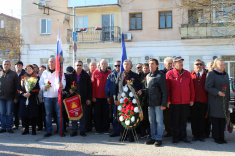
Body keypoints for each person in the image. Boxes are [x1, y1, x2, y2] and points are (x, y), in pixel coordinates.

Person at [166, 56, 195, 144]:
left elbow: (191, 88)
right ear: (174, 64)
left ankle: (184, 137)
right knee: (175, 121)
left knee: (183, 121)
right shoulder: (169, 74)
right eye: (179, 62)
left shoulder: (187, 73)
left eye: (182, 62)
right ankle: (175, 138)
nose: (181, 63)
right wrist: (168, 100)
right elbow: (167, 89)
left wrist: (192, 99)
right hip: (175, 102)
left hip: (185, 102)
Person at [142, 58, 168, 147]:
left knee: (159, 121)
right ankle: (153, 137)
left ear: (157, 65)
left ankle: (158, 138)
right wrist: (142, 91)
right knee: (151, 121)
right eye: (149, 64)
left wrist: (163, 103)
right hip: (150, 103)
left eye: (152, 63)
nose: (150, 65)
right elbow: (147, 89)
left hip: (158, 103)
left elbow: (164, 91)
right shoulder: (148, 76)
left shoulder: (160, 76)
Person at [114, 59, 141, 142]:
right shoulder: (120, 74)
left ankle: (131, 136)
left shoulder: (135, 75)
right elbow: (115, 87)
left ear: (131, 66)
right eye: (124, 64)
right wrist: (115, 98)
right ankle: (123, 135)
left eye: (127, 64)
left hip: (131, 100)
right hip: (121, 100)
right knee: (122, 117)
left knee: (130, 116)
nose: (126, 65)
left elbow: (138, 87)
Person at [39, 57, 66, 137]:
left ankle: (61, 131)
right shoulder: (44, 73)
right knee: (48, 115)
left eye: (53, 62)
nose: (51, 63)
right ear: (48, 63)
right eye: (50, 62)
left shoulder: (60, 72)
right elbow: (40, 83)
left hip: (57, 96)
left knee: (59, 114)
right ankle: (49, 131)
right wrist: (44, 87)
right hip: (47, 96)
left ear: (56, 63)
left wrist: (62, 85)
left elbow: (64, 83)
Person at [205, 58, 230, 144]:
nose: (223, 66)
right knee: (216, 119)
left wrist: (228, 100)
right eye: (221, 65)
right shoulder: (212, 74)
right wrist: (217, 92)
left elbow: (228, 88)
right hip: (215, 100)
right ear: (216, 65)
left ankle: (222, 137)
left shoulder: (226, 74)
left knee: (222, 119)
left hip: (224, 100)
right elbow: (208, 87)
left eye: (224, 64)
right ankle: (216, 137)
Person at [69, 61, 92, 137]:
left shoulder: (86, 75)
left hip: (83, 98)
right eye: (77, 65)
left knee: (82, 115)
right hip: (73, 99)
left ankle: (82, 130)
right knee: (74, 115)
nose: (79, 66)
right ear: (74, 66)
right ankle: (74, 130)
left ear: (82, 66)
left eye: (80, 65)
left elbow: (90, 88)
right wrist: (69, 90)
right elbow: (66, 86)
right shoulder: (70, 76)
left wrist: (89, 98)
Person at [18, 65, 40, 135]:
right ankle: (26, 129)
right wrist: (23, 94)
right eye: (27, 69)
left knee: (33, 114)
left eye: (30, 68)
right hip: (24, 98)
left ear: (33, 70)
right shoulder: (22, 77)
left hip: (32, 98)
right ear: (26, 70)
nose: (29, 70)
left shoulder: (36, 77)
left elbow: (37, 88)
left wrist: (30, 93)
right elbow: (19, 88)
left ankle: (34, 130)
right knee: (25, 114)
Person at [92, 59, 111, 134]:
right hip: (97, 97)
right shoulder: (95, 72)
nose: (103, 65)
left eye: (105, 64)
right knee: (97, 113)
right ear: (99, 65)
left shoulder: (110, 73)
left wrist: (110, 97)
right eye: (102, 63)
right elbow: (93, 85)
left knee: (106, 113)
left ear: (107, 65)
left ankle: (105, 129)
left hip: (106, 97)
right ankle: (98, 129)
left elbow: (111, 86)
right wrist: (93, 96)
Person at [190, 59, 208, 142]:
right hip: (193, 101)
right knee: (194, 119)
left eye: (201, 64)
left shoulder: (206, 75)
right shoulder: (190, 75)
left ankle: (201, 135)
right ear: (194, 66)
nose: (199, 66)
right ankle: (195, 135)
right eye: (197, 64)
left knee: (202, 119)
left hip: (203, 101)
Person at [0, 60, 19, 133]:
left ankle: (9, 127)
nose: (6, 65)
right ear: (2, 65)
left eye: (8, 64)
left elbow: (16, 86)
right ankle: (3, 127)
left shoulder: (14, 74)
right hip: (1, 97)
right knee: (2, 113)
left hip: (10, 97)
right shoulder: (0, 73)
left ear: (10, 65)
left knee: (9, 113)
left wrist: (16, 97)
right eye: (5, 64)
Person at [105, 61, 121, 137]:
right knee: (115, 115)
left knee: (124, 114)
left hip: (123, 97)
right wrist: (107, 96)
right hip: (114, 97)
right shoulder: (111, 75)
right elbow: (107, 86)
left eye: (119, 65)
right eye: (116, 65)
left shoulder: (124, 74)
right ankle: (116, 131)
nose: (117, 67)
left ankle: (123, 131)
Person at [160, 57, 173, 138]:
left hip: (174, 97)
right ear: (164, 64)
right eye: (169, 63)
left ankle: (174, 130)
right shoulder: (161, 73)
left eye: (172, 63)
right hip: (165, 98)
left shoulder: (175, 72)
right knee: (166, 116)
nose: (170, 65)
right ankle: (168, 131)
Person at [13, 61, 26, 130]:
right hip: (13, 95)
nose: (19, 66)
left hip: (22, 95)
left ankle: (24, 124)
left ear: (22, 66)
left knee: (22, 110)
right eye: (17, 65)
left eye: (20, 65)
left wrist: (22, 93)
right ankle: (16, 124)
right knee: (15, 111)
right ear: (15, 66)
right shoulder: (12, 74)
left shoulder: (24, 74)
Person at [138, 63, 150, 138]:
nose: (145, 69)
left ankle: (149, 132)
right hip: (141, 99)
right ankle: (142, 132)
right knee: (142, 116)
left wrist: (143, 90)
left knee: (148, 117)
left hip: (148, 99)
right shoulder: (139, 76)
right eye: (144, 68)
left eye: (147, 68)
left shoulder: (150, 75)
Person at [86, 62, 97, 132]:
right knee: (88, 113)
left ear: (96, 66)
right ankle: (88, 127)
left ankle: (96, 127)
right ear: (89, 66)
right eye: (91, 65)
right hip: (88, 96)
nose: (92, 66)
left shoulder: (97, 73)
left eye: (93, 65)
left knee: (96, 113)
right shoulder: (86, 74)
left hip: (96, 96)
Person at [37, 65, 47, 131]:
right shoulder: (35, 77)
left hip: (46, 97)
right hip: (38, 98)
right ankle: (40, 126)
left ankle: (47, 126)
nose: (42, 71)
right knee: (39, 113)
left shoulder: (47, 77)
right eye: (41, 70)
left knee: (46, 113)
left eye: (43, 69)